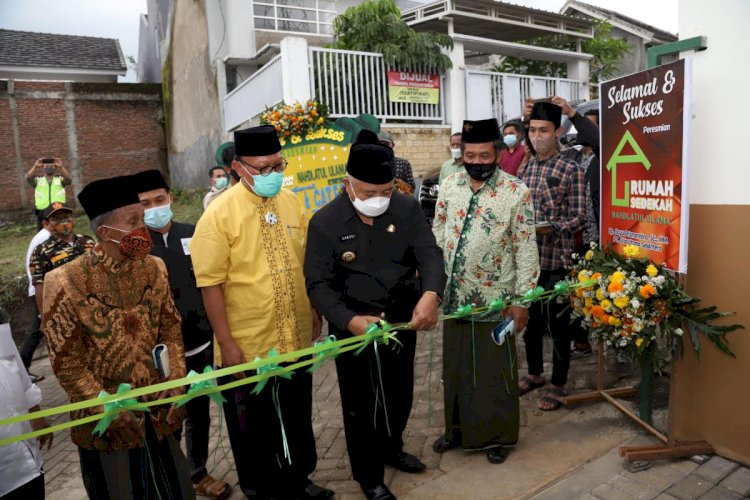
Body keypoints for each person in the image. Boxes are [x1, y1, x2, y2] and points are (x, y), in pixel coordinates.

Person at [190, 125, 332, 499]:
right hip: (247, 343)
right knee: (254, 424)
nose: (272, 174)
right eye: (262, 168)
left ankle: (299, 479)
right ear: (238, 167)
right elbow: (210, 285)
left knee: (297, 413)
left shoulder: (291, 202)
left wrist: (314, 312)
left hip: (295, 335)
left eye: (277, 165)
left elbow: (307, 264)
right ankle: (262, 488)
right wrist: (226, 342)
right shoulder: (218, 215)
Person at [305, 130, 447, 500]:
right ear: (347, 185)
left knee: (399, 392)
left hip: (402, 318)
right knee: (360, 403)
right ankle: (368, 474)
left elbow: (430, 255)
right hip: (353, 325)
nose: (378, 200)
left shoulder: (406, 208)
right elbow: (318, 284)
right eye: (368, 193)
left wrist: (431, 294)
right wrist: (348, 320)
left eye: (385, 191)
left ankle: (392, 448)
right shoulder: (325, 222)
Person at [41, 175, 194, 499]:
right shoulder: (65, 280)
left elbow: (170, 329)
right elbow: (67, 364)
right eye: (134, 221)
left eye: (142, 218)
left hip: (159, 414)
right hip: (106, 428)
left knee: (176, 490)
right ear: (105, 232)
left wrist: (178, 383)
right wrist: (108, 410)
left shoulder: (154, 268)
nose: (143, 228)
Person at [431, 118, 540, 465]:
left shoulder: (515, 191)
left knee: (496, 373)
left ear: (496, 154)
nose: (477, 161)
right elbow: (438, 231)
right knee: (457, 369)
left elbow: (525, 248)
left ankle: (497, 435)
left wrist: (522, 301)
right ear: (461, 154)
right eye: (470, 154)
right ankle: (457, 430)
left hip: (499, 302)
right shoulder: (448, 185)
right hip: (455, 299)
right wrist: (432, 286)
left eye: (484, 154)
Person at [133, 169, 232, 500]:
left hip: (201, 343)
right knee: (167, 415)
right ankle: (170, 477)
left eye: (159, 200)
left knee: (199, 412)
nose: (154, 207)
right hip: (160, 356)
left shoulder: (195, 233)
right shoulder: (134, 249)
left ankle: (197, 472)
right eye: (145, 203)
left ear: (170, 198)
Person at [517, 101, 586, 411]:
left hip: (557, 261)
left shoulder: (571, 168)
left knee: (558, 329)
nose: (537, 136)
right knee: (530, 324)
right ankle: (535, 374)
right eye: (532, 130)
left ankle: (558, 384)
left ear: (557, 131)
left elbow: (580, 217)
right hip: (527, 263)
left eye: (543, 130)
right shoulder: (526, 168)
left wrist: (551, 227)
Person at [29, 202, 95, 318]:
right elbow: (40, 287)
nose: (63, 222)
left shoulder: (87, 242)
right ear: (46, 224)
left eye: (67, 217)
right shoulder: (41, 252)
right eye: (57, 219)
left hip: (95, 307)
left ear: (73, 219)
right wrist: (44, 317)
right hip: (66, 313)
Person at [19, 226, 50, 383]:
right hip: (41, 289)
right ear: (46, 222)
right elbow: (36, 267)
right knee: (37, 329)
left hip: (44, 287)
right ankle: (22, 370)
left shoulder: (48, 235)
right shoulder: (44, 238)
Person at [25, 157, 71, 228]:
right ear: (43, 168)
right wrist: (35, 166)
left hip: (58, 210)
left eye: (52, 166)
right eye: (47, 166)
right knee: (43, 232)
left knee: (61, 230)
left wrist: (61, 167)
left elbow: (68, 179)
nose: (49, 168)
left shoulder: (60, 179)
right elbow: (28, 177)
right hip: (42, 211)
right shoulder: (38, 180)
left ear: (55, 168)